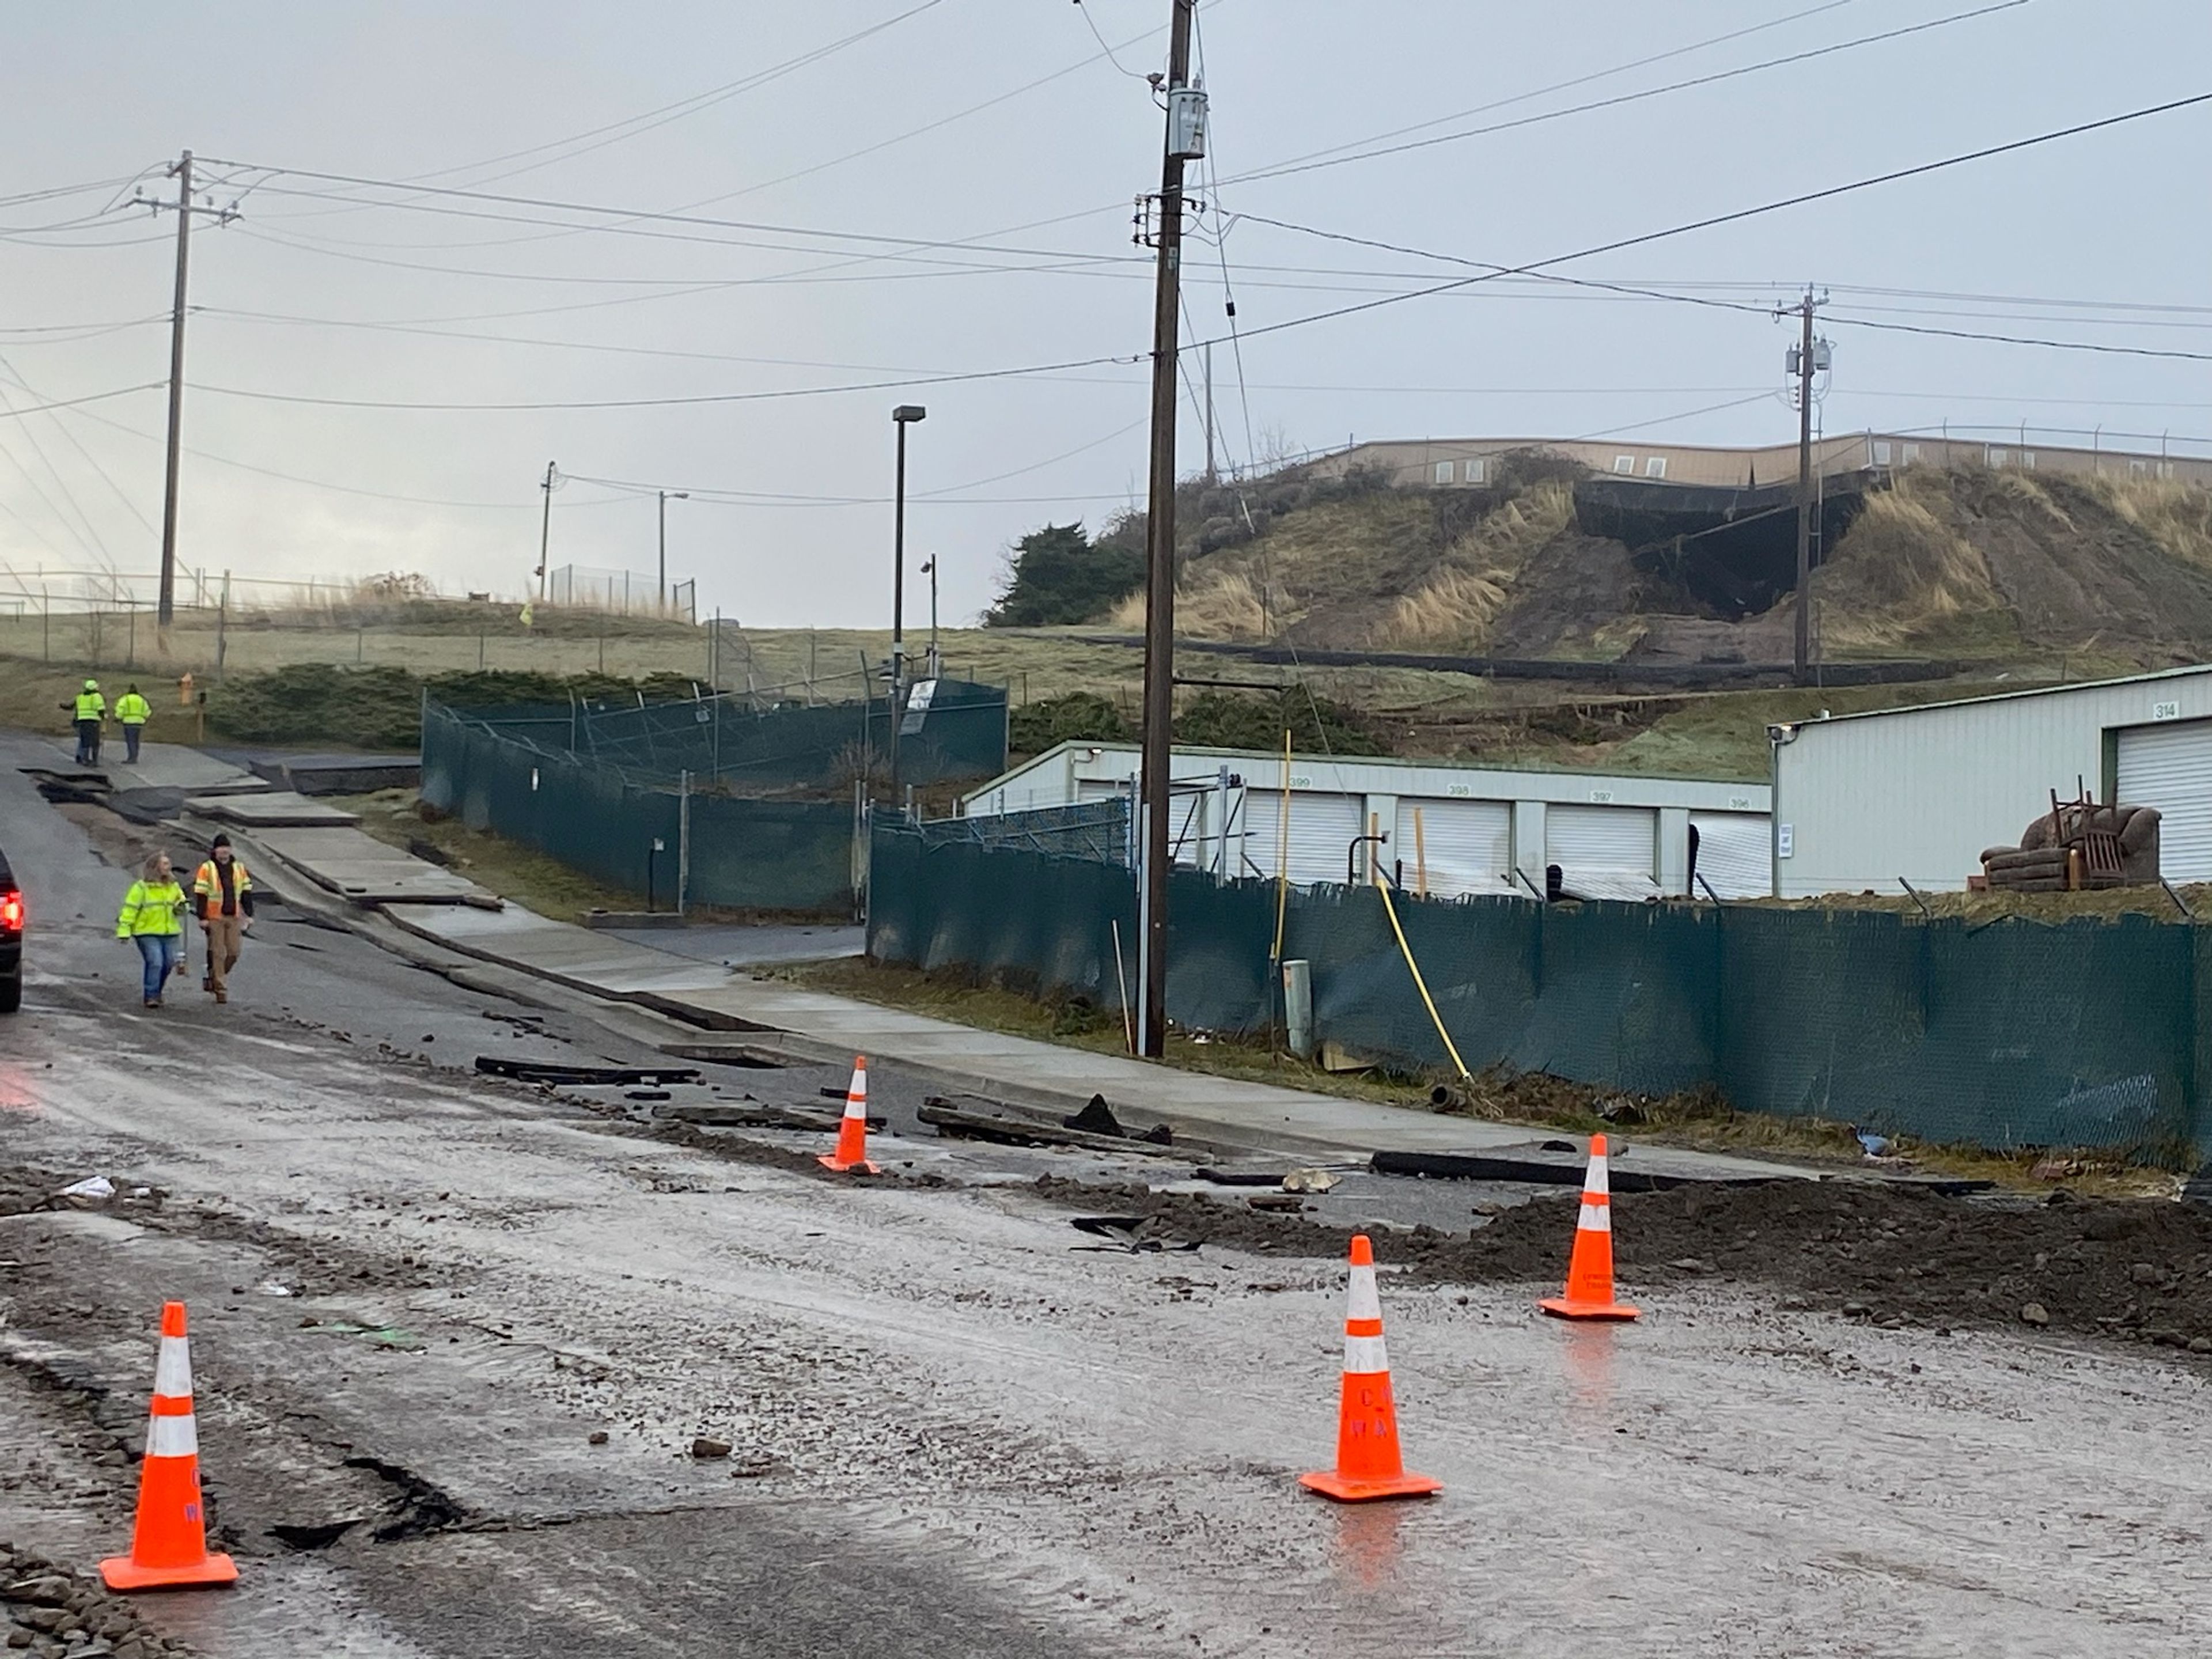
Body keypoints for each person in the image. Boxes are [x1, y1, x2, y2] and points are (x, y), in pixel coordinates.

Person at [116, 851, 187, 1010]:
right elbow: (130, 909)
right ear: (155, 867)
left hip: (170, 932)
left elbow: (182, 904)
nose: (169, 867)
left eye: (168, 864)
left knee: (169, 963)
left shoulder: (173, 886)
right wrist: (124, 930)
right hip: (146, 932)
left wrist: (182, 907)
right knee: (155, 962)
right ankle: (151, 995)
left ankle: (157, 991)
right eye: (165, 864)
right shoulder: (141, 888)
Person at [190, 834, 254, 1005]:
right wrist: (202, 917)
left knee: (234, 952)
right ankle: (221, 989)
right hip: (214, 917)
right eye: (220, 847)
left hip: (233, 916)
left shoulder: (239, 869)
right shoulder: (207, 868)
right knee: (218, 953)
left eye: (226, 847)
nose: (224, 851)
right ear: (215, 850)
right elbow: (201, 894)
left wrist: (249, 914)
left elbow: (247, 892)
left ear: (230, 850)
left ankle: (215, 976)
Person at [66, 679, 105, 765]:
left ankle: (84, 759)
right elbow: (101, 709)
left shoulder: (80, 697)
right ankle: (94, 761)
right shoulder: (97, 696)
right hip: (93, 721)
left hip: (82, 721)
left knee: (84, 740)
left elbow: (72, 707)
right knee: (95, 741)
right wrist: (102, 718)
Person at [115, 683, 151, 764]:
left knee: (130, 741)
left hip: (128, 723)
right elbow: (147, 712)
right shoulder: (142, 700)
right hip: (139, 723)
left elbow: (120, 710)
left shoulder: (125, 699)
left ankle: (131, 758)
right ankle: (135, 756)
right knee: (136, 740)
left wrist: (118, 718)